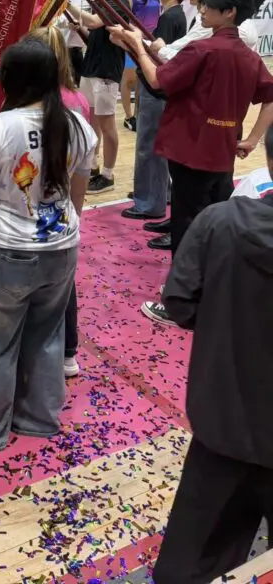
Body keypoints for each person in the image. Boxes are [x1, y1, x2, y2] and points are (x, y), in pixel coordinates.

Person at [0, 37, 96, 450]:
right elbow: (77, 192)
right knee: (47, 335)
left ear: (10, 80)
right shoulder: (79, 125)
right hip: (61, 246)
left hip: (6, 250)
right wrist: (65, 229)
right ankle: (38, 418)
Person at [113, 0, 273, 326]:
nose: (201, 10)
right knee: (213, 224)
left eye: (208, 6)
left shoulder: (203, 50)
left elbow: (158, 80)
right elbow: (269, 96)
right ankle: (207, 291)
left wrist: (137, 46)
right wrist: (252, 139)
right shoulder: (248, 57)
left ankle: (180, 303)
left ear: (229, 12)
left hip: (191, 151)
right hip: (222, 153)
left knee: (187, 226)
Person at [152, 125, 273, 584]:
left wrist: (227, 314)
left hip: (225, 421)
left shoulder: (219, 221)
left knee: (191, 562)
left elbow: (180, 301)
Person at [29, 25, 91, 379]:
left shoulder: (34, 105)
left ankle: (44, 348)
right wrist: (75, 214)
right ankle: (67, 351)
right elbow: (82, 166)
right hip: (61, 205)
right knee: (63, 280)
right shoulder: (78, 101)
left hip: (30, 206)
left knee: (33, 283)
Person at [121, 0, 188, 224]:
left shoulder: (172, 17)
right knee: (153, 147)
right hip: (157, 90)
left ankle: (149, 203)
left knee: (149, 148)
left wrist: (135, 43)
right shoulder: (170, 14)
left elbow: (161, 58)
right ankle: (155, 192)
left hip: (156, 90)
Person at [67, 0, 130, 193]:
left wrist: (67, 2)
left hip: (106, 70)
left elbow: (95, 23)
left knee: (107, 123)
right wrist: (79, 27)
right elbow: (94, 32)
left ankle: (108, 174)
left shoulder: (119, 1)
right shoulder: (102, 1)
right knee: (91, 119)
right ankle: (92, 164)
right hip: (91, 66)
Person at [121, 0, 160, 131]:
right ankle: (128, 116)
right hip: (133, 41)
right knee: (129, 79)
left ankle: (138, 113)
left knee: (142, 80)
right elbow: (125, 20)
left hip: (150, 42)